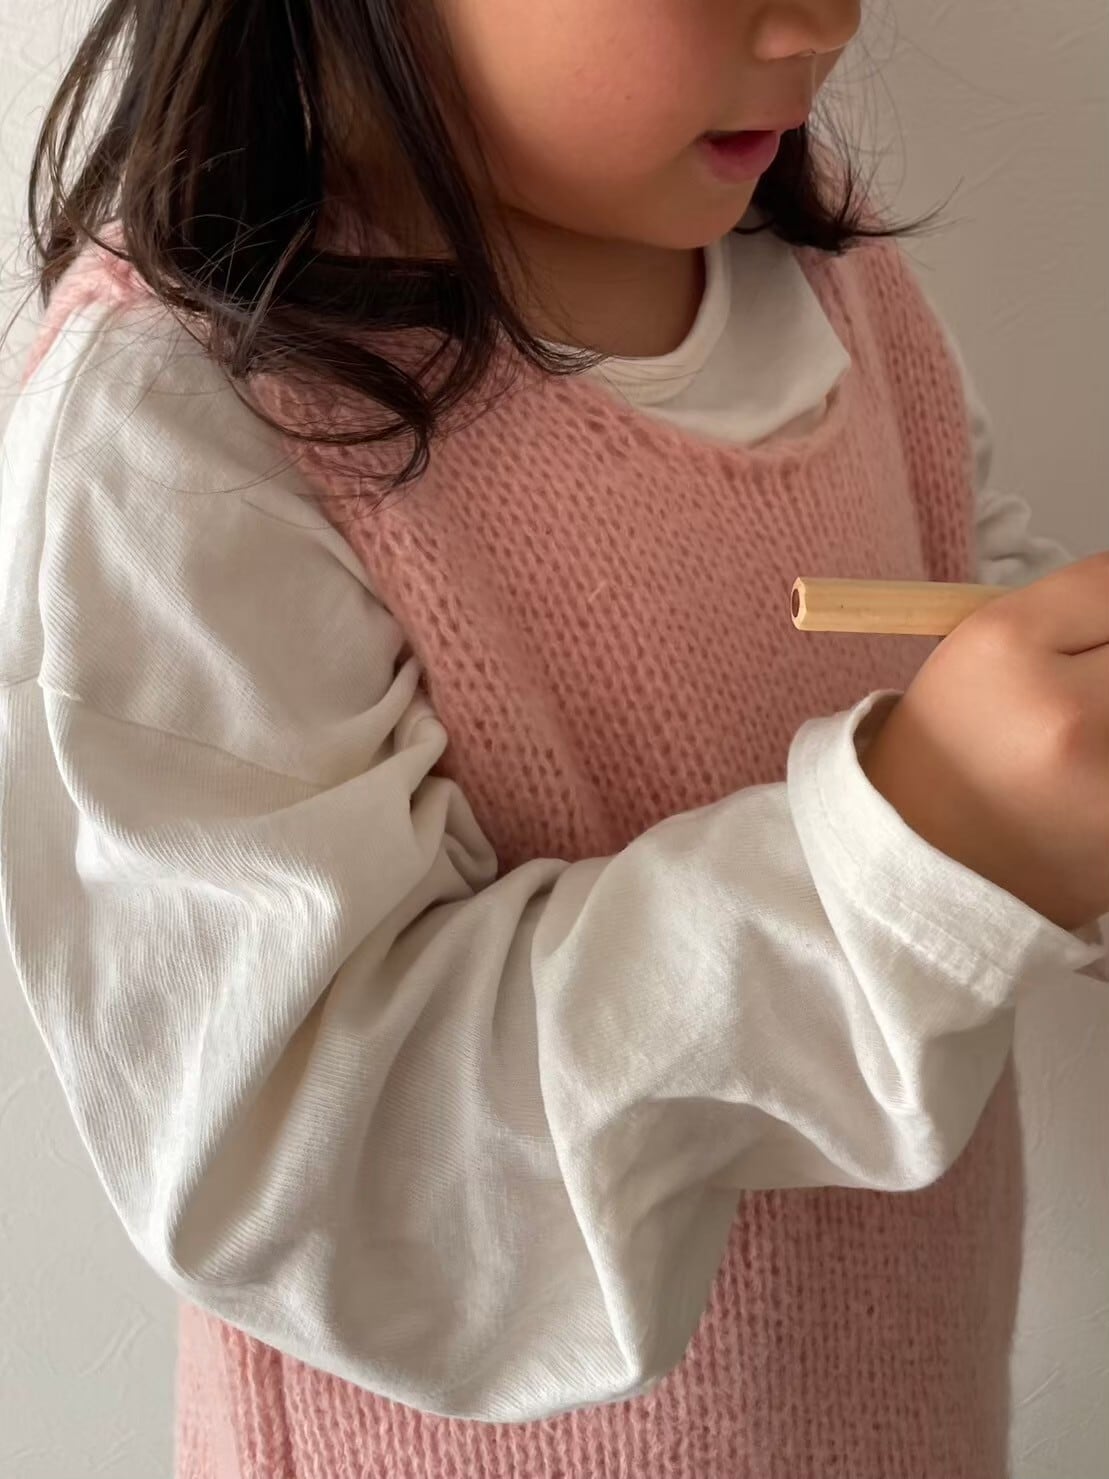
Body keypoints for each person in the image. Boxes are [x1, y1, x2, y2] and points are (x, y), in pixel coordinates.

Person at [2, 0, 1107, 1475]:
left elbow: (979, 613)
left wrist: (1051, 768)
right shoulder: (187, 423)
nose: (826, 22)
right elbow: (332, 1168)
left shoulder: (825, 272)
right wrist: (914, 869)